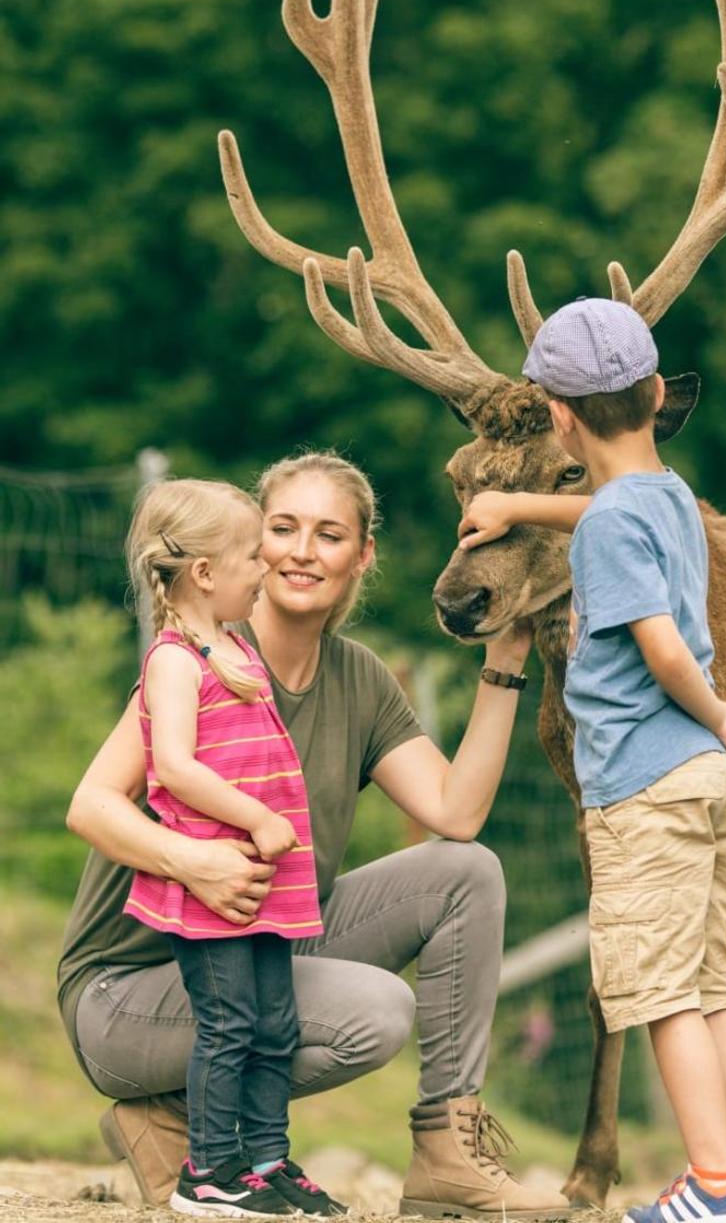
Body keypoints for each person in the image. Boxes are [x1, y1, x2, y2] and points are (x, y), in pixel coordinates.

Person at [60, 451, 571, 1222]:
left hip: (260, 943)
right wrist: (191, 859)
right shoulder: (207, 659)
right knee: (377, 1010)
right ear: (244, 549)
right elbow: (92, 803)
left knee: (467, 869)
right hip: (128, 987)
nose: (302, 550)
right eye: (282, 528)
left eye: (329, 534)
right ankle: (184, 1118)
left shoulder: (359, 678)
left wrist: (503, 663)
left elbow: (456, 811)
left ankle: (447, 1149)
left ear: (362, 555)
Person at [465, 297, 726, 1223]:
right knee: (715, 983)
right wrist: (517, 503)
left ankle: (714, 1185)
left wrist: (719, 711)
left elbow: (663, 649)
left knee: (662, 994)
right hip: (706, 784)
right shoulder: (670, 496)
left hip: (649, 783)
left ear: (557, 417)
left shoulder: (606, 530)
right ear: (654, 393)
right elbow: (605, 502)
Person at [122, 477, 336, 1216]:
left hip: (264, 882)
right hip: (217, 883)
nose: (265, 567)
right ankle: (209, 1170)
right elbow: (174, 765)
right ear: (206, 573)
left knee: (278, 1024)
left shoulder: (228, 644)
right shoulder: (173, 660)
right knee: (229, 1022)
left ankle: (268, 1158)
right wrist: (257, 814)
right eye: (252, 555)